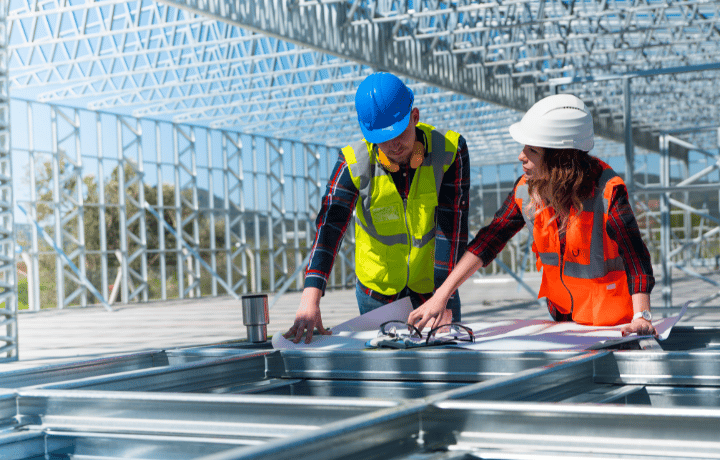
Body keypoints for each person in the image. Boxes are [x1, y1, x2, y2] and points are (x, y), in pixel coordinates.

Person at [408, 94, 657, 338]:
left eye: (532, 151)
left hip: (615, 327)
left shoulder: (607, 192)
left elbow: (636, 256)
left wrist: (642, 317)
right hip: (565, 323)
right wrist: (440, 297)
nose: (521, 156)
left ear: (561, 160)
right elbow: (489, 240)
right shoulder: (526, 191)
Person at [283, 72, 470, 343]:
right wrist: (310, 298)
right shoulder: (354, 164)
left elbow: (451, 233)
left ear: (415, 117)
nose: (394, 145)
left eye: (400, 132)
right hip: (376, 294)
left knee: (445, 365)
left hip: (434, 287)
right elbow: (329, 227)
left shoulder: (449, 151)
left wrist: (443, 296)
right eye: (383, 138)